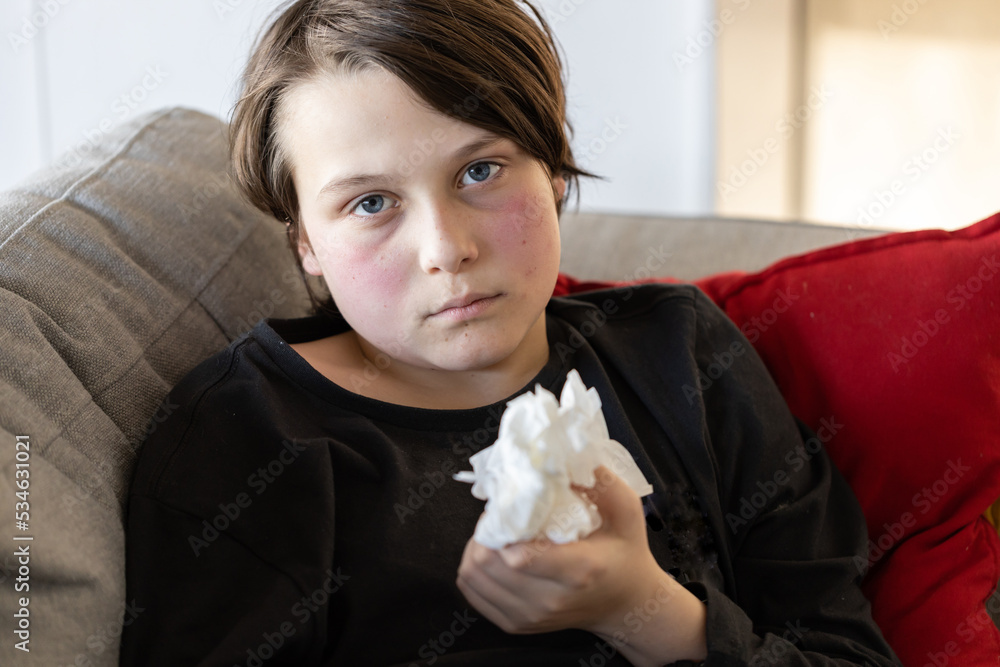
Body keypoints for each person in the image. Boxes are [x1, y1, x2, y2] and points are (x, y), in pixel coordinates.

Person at [119, 1, 901, 665]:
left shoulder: (684, 354)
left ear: (554, 167)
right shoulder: (246, 441)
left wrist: (649, 610)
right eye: (369, 204)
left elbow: (844, 646)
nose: (445, 249)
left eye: (480, 171)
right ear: (306, 245)